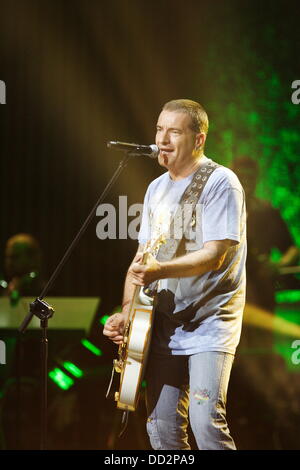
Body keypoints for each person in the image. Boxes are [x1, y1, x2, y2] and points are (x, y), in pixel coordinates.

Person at [103, 99, 247, 450]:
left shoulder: (220, 183)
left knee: (205, 420)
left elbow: (214, 256)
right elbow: (142, 258)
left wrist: (158, 270)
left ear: (198, 140)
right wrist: (125, 310)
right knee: (161, 428)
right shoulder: (156, 189)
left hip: (211, 321)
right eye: (159, 129)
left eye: (174, 131)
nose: (162, 139)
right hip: (166, 323)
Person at [231, 156, 299, 311]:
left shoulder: (267, 213)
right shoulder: (219, 210)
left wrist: (277, 266)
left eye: (250, 177)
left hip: (261, 292)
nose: (247, 181)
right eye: (242, 177)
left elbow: (292, 249)